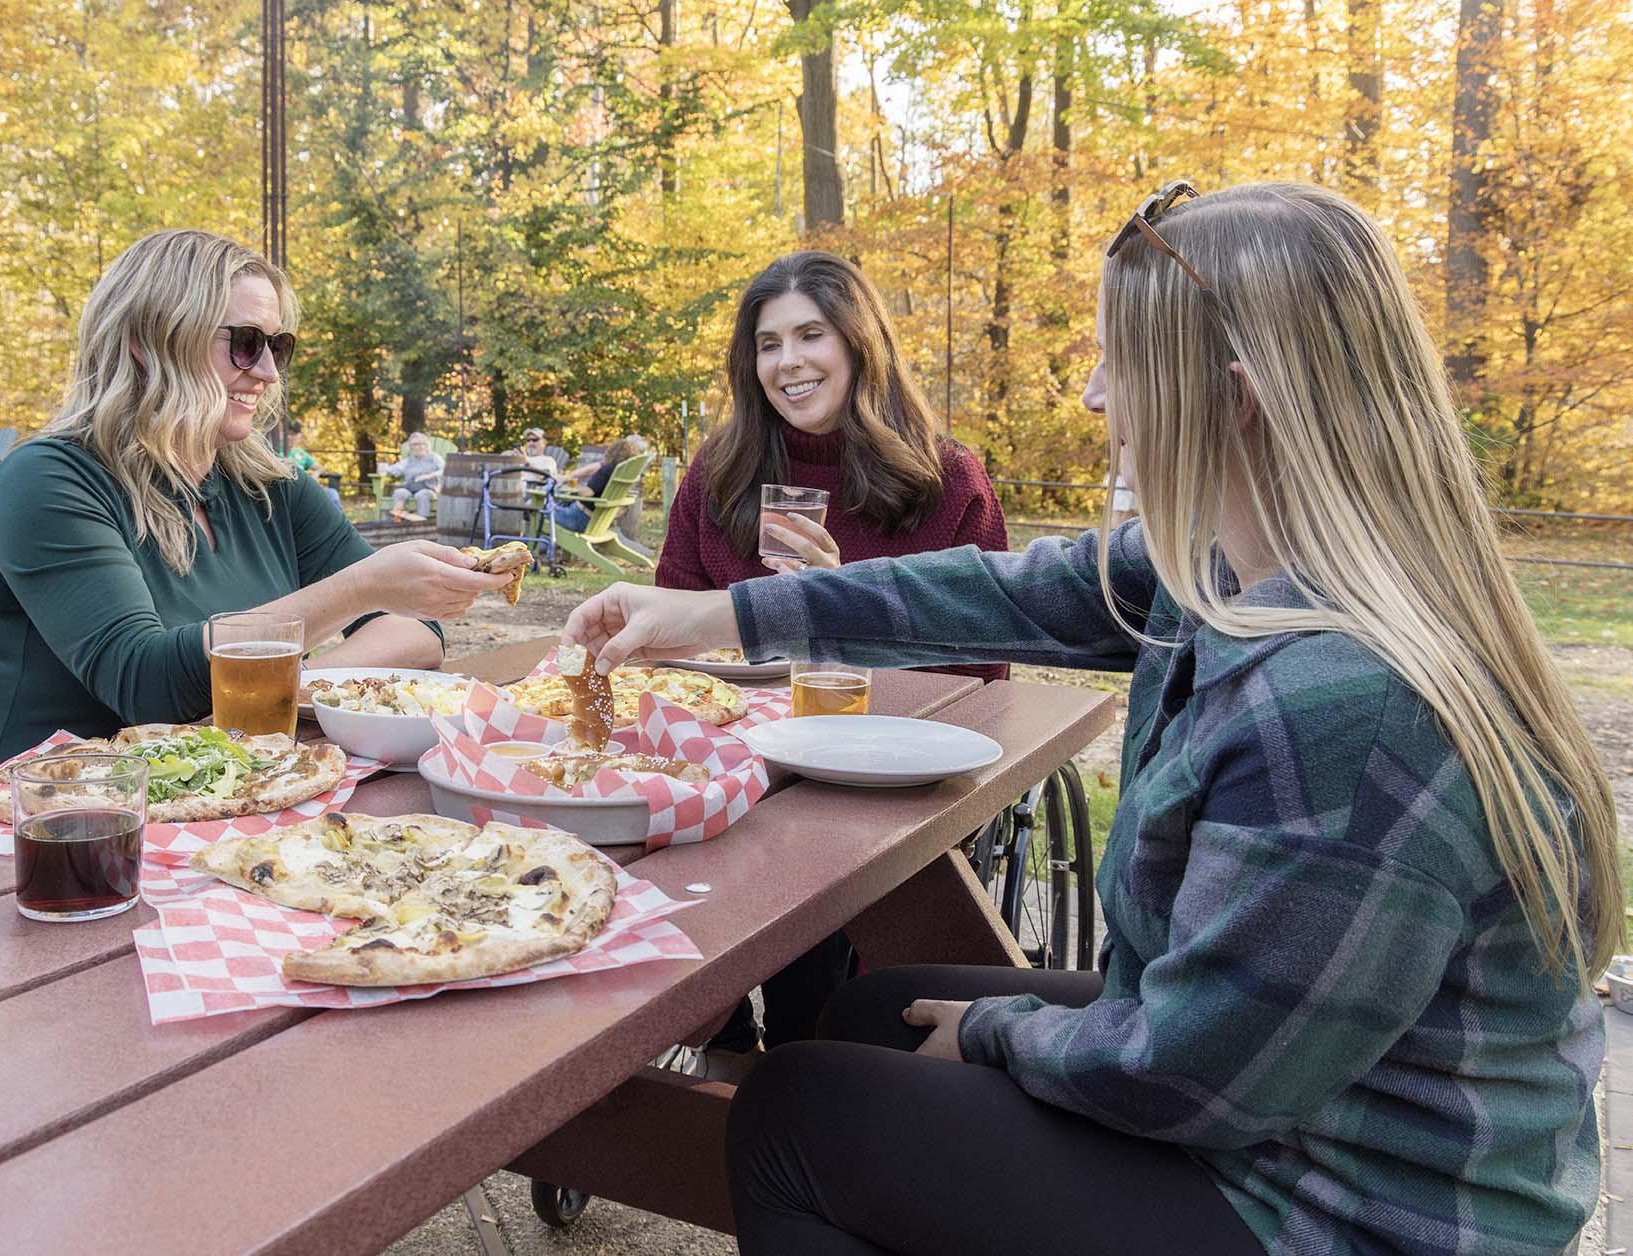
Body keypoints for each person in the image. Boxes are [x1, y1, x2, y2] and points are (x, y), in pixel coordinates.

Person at [564, 183, 1621, 1255]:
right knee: (872, 1015)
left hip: (1346, 1200)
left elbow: (1189, 1076)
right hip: (1284, 1100)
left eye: (1119, 360)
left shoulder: (1346, 703)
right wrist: (714, 612)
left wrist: (999, 1031)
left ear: (1233, 397)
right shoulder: (1218, 568)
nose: (1088, 393)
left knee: (794, 1110)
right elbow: (997, 592)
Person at [0, 229, 510, 775]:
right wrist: (359, 589)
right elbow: (145, 684)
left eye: (277, 347)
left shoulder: (270, 486)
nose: (266, 372)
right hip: (27, 811)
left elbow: (417, 633)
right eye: (244, 343)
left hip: (214, 785)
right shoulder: (48, 480)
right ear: (145, 343)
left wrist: (281, 682)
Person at [659, 250, 1012, 1078]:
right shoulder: (719, 472)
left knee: (804, 858)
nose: (787, 362)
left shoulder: (942, 478)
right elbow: (675, 621)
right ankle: (713, 1033)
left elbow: (982, 669)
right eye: (767, 343)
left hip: (878, 757)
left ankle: (798, 1053)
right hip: (734, 741)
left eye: (809, 335)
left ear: (858, 344)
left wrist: (843, 604)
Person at [553, 433, 648, 534]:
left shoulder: (606, 470)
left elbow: (587, 493)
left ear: (612, 451)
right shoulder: (623, 474)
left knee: (541, 508)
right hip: (598, 522)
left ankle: (541, 546)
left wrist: (570, 487)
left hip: (578, 518)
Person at [378, 431, 445, 521]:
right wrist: (385, 468)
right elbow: (396, 469)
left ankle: (421, 522)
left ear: (427, 445)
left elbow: (445, 469)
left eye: (422, 444)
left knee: (421, 495)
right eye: (415, 444)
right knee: (399, 492)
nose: (419, 447)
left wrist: (429, 476)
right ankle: (398, 520)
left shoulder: (434, 457)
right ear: (411, 447)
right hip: (409, 489)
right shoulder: (409, 460)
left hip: (429, 489)